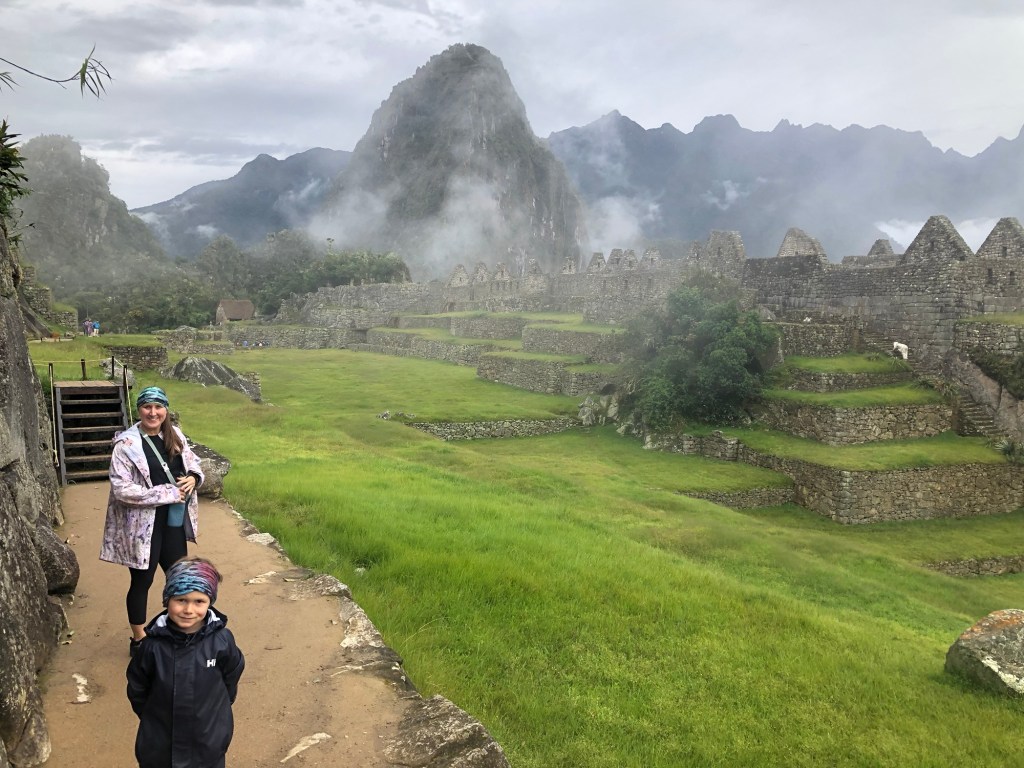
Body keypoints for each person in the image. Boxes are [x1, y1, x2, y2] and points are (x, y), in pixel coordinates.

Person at [102, 385, 204, 656]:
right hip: (142, 526)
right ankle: (139, 639)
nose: (153, 412)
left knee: (179, 578)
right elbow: (121, 489)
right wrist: (167, 492)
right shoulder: (126, 445)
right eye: (147, 406)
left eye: (158, 407)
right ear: (139, 409)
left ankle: (178, 630)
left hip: (173, 521)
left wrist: (194, 477)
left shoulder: (175, 435)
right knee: (142, 581)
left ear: (165, 410)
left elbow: (192, 461)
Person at [127, 557, 245, 768]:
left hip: (208, 739)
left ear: (210, 602)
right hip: (160, 742)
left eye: (199, 601)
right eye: (181, 600)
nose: (189, 609)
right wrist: (151, 716)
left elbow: (232, 674)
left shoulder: (222, 641)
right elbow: (138, 686)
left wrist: (218, 710)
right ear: (167, 600)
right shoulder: (152, 646)